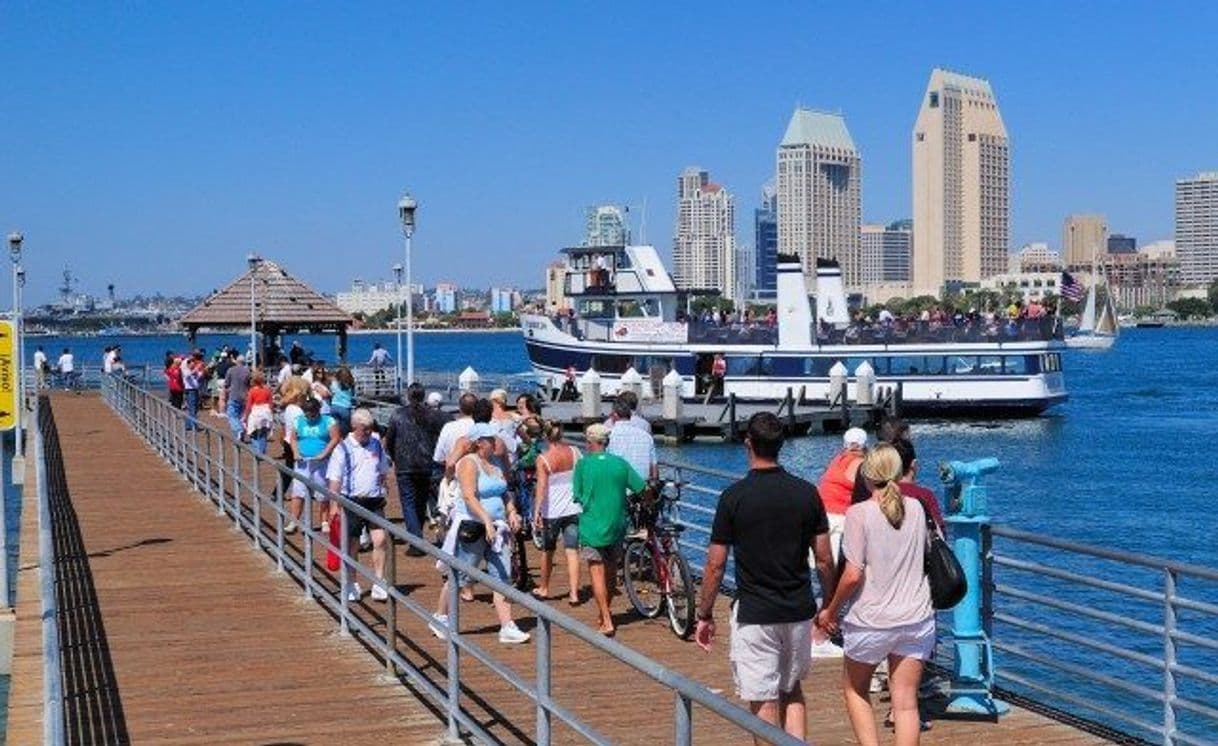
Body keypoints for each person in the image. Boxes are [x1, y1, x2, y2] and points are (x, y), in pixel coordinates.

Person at [694, 412, 836, 744]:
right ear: (781, 445)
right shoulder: (806, 493)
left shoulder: (733, 497)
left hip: (756, 613)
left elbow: (715, 565)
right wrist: (827, 605)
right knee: (792, 689)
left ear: (748, 444)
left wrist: (704, 614)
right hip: (799, 610)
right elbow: (825, 559)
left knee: (763, 699)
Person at [816, 444, 935, 746]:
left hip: (872, 621)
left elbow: (853, 574)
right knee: (906, 703)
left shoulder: (859, 513)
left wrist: (830, 610)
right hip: (917, 618)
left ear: (867, 475)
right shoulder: (918, 509)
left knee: (855, 690)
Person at [430, 423, 531, 645]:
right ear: (478, 443)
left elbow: (504, 492)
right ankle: (441, 616)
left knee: (502, 576)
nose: (495, 443)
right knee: (460, 575)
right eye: (490, 439)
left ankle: (507, 625)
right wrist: (486, 521)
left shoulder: (495, 463)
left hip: (498, 526)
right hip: (473, 526)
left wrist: (512, 511)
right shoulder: (468, 463)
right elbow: (468, 496)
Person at [572, 423, 645, 636]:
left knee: (596, 571)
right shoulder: (620, 463)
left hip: (592, 525)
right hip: (617, 524)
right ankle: (606, 612)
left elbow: (577, 494)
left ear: (589, 442)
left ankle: (606, 618)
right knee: (612, 571)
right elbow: (641, 487)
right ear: (607, 442)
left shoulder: (583, 465)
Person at [326, 408, 392, 603]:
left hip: (373, 499)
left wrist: (383, 485)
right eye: (365, 429)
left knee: (380, 539)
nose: (368, 432)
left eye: (370, 429)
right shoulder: (343, 448)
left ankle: (379, 581)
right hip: (352, 500)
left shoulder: (376, 445)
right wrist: (334, 505)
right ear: (355, 427)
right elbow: (335, 479)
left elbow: (382, 470)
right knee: (352, 543)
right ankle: (352, 582)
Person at [384, 382, 445, 552]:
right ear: (423, 396)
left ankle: (416, 540)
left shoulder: (398, 415)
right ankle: (416, 537)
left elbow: (390, 439)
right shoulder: (431, 415)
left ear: (408, 396)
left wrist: (395, 457)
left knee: (409, 502)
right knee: (419, 501)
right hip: (426, 464)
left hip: (405, 465)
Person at [531, 420, 582, 605]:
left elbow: (542, 488)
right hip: (573, 507)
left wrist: (536, 511)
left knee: (548, 550)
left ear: (545, 436)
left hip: (552, 511)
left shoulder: (543, 458)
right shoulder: (575, 452)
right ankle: (574, 593)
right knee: (572, 550)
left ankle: (544, 587)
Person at [288, 397, 341, 534]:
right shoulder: (298, 421)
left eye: (312, 413)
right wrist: (295, 452)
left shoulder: (328, 421)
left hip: (321, 462)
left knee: (322, 492)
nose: (309, 416)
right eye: (307, 413)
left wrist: (324, 453)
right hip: (302, 461)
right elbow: (293, 438)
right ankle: (294, 521)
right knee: (298, 492)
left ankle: (324, 521)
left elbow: (335, 438)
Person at [606, 397, 658, 486]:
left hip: (619, 488)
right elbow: (654, 470)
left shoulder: (608, 435)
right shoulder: (646, 437)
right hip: (642, 488)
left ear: (615, 415)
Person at [278, 377, 310, 513]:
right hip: (294, 442)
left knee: (289, 468)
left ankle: (278, 492)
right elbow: (300, 428)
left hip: (288, 440)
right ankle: (281, 493)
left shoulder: (289, 408)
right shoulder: (297, 411)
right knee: (292, 470)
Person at [242, 370, 274, 455]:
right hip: (266, 412)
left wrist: (246, 416)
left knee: (253, 433)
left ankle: (257, 451)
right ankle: (262, 451)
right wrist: (271, 415)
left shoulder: (252, 391)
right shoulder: (268, 390)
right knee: (263, 434)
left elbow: (248, 406)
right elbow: (271, 404)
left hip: (256, 412)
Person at [224, 354, 252, 441]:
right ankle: (241, 434)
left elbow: (226, 383)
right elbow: (249, 384)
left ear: (236, 361)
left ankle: (239, 430)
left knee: (231, 415)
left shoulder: (231, 370)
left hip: (234, 395)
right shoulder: (248, 371)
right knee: (240, 417)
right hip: (244, 397)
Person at [181, 350, 205, 429]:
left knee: (192, 408)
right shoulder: (186, 364)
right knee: (192, 407)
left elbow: (196, 377)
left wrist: (200, 372)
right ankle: (194, 425)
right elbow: (187, 375)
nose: (195, 360)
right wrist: (195, 369)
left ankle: (189, 424)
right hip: (190, 389)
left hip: (193, 388)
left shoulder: (191, 364)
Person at [330, 365, 356, 434]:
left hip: (334, 406)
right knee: (345, 431)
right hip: (345, 408)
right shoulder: (351, 384)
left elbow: (332, 392)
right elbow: (353, 397)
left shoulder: (335, 383)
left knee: (336, 428)